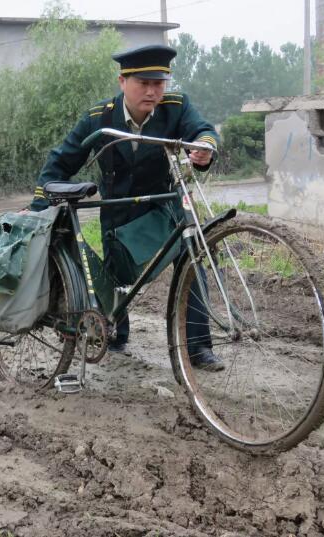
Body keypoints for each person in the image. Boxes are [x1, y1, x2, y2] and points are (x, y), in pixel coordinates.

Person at [29, 44, 224, 371]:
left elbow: (201, 130)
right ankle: (116, 331)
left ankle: (199, 347)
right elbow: (60, 162)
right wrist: (37, 207)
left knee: (192, 263)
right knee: (116, 279)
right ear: (122, 82)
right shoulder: (98, 118)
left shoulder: (175, 108)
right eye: (142, 83)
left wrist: (205, 147)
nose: (151, 92)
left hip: (164, 208)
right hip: (118, 213)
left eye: (158, 84)